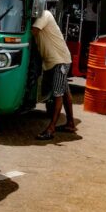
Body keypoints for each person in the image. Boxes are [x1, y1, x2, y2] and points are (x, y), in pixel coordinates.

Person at [32, 9, 76, 140]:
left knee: (58, 94)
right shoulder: (41, 17)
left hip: (59, 61)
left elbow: (33, 32)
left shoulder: (44, 15)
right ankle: (70, 123)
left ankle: (51, 129)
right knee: (65, 92)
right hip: (57, 60)